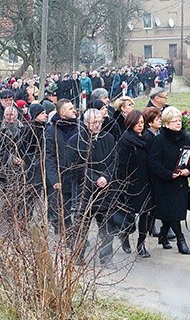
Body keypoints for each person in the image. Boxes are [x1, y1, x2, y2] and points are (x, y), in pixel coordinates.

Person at [66, 108, 116, 265]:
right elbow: (75, 166)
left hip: (105, 191)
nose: (97, 125)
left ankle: (106, 257)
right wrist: (95, 179)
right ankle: (78, 256)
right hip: (84, 191)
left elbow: (114, 161)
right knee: (81, 227)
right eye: (94, 122)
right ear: (86, 122)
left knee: (107, 227)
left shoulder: (108, 138)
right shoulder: (76, 140)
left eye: (100, 122)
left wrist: (106, 177)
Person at [148, 106, 190, 255]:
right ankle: (181, 241)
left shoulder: (186, 137)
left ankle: (163, 234)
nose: (178, 123)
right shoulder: (160, 139)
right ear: (167, 123)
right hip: (164, 182)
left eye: (179, 120)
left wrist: (189, 170)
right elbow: (153, 161)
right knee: (172, 212)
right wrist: (168, 174)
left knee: (175, 211)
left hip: (180, 181)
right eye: (174, 121)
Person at [115, 110, 154, 258]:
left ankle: (141, 243)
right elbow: (121, 164)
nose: (140, 126)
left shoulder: (149, 137)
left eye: (142, 123)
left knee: (145, 213)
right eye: (137, 123)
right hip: (131, 181)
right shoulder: (125, 140)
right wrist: (122, 183)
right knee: (129, 215)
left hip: (146, 180)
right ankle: (125, 237)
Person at [45, 99, 79, 233]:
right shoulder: (52, 130)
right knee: (63, 209)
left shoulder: (79, 126)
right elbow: (49, 156)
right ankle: (68, 234)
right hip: (62, 176)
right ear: (63, 112)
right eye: (70, 109)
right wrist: (54, 179)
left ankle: (78, 234)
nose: (74, 110)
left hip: (78, 175)